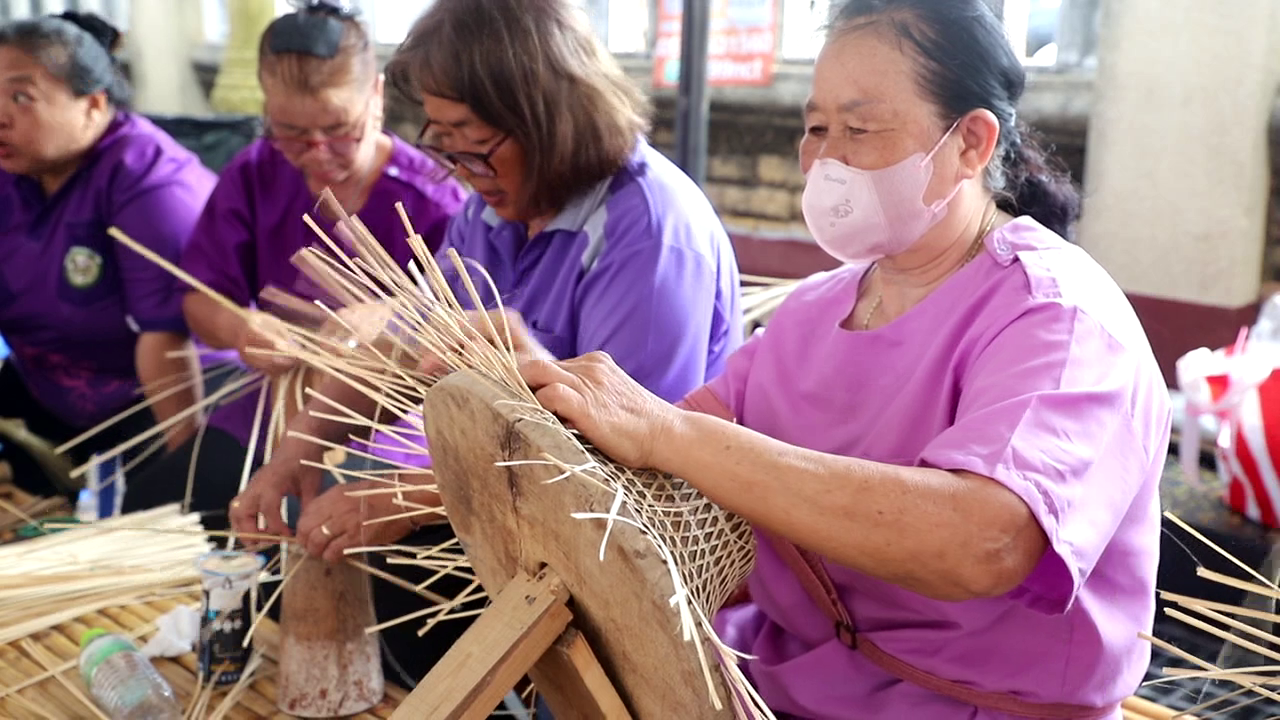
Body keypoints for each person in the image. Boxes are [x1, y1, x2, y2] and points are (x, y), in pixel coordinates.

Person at [514, 1, 1170, 718]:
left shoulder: (1060, 317)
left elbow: (986, 542)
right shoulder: (812, 311)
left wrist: (673, 436)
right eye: (816, 128)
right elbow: (661, 480)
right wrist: (531, 401)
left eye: (859, 130)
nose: (825, 159)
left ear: (972, 143)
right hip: (770, 689)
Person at [228, 0, 743, 691]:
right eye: (442, 140)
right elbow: (410, 343)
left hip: (619, 557)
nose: (459, 166)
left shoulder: (650, 232)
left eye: (472, 139)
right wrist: (297, 449)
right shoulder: (492, 206)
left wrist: (402, 500)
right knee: (286, 582)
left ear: (546, 115)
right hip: (514, 516)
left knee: (403, 626)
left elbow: (623, 472)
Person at [120, 1, 467, 528]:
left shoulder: (434, 199)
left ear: (375, 95)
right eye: (290, 133)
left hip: (391, 419)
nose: (317, 152)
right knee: (162, 511)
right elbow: (198, 298)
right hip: (275, 400)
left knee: (323, 536)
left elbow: (473, 327)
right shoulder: (257, 171)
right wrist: (241, 326)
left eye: (339, 129)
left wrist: (399, 315)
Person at [0, 12, 213, 498]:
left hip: (165, 397)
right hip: (44, 381)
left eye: (20, 97)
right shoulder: (13, 166)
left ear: (93, 105)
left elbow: (168, 341)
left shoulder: (153, 184)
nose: (1, 115)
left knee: (165, 518)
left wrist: (191, 477)